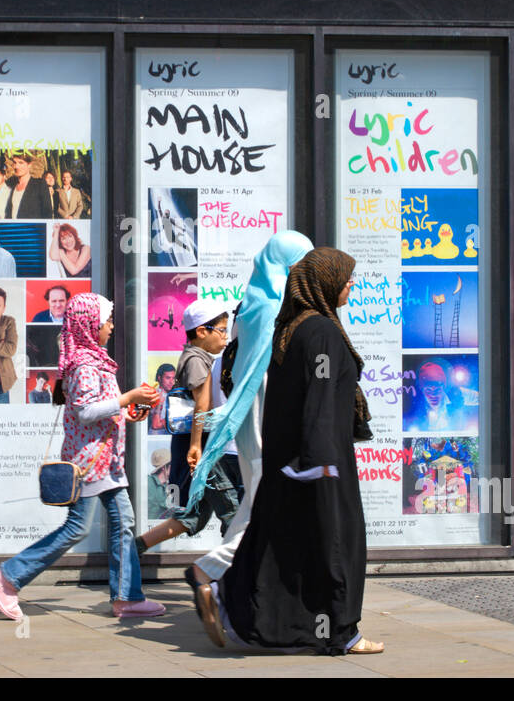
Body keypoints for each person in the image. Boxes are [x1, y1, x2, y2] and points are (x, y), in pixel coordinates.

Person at [207, 247, 382, 656]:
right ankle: (341, 632)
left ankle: (235, 598)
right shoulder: (320, 329)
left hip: (293, 458)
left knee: (286, 542)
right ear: (325, 282)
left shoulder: (293, 326)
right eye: (346, 278)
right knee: (337, 544)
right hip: (319, 461)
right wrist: (319, 462)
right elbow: (319, 399)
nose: (351, 285)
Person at [0, 293, 165, 620]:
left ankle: (127, 597)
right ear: (89, 324)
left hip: (107, 462)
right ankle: (7, 579)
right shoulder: (84, 365)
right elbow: (84, 411)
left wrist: (128, 411)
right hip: (90, 463)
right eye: (107, 321)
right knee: (78, 528)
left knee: (124, 523)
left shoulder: (95, 361)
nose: (110, 327)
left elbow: (100, 409)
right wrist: (127, 398)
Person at [181, 231, 313, 592]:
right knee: (267, 502)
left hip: (250, 415)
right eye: (302, 265)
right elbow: (266, 370)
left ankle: (235, 587)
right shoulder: (274, 309)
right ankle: (209, 570)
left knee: (256, 501)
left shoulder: (252, 304)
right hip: (263, 416)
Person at [135, 299, 241, 553]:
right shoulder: (195, 359)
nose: (225, 336)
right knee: (234, 516)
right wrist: (196, 445)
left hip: (204, 449)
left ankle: (134, 547)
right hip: (206, 451)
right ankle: (223, 574)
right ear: (202, 332)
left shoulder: (202, 357)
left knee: (193, 515)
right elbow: (201, 404)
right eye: (222, 330)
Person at [3, 151, 52, 219]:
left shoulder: (40, 185)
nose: (16, 166)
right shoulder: (11, 186)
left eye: (21, 163)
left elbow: (47, 214)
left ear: (29, 165)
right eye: (15, 163)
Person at [147, 362, 176, 433]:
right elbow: (156, 425)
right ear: (159, 378)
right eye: (168, 378)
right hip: (155, 437)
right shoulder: (153, 394)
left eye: (173, 378)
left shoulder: (175, 395)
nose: (171, 382)